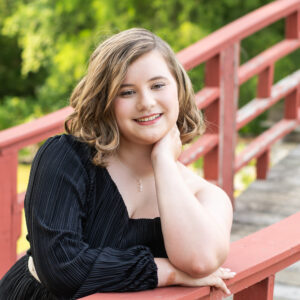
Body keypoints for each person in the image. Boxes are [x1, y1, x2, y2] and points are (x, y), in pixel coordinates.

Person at [0, 28, 234, 299]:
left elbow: (200, 262)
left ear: (180, 91)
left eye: (158, 85)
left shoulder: (205, 195)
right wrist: (168, 272)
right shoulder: (65, 158)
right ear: (105, 100)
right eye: (126, 92)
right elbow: (62, 269)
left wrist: (163, 163)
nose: (146, 103)